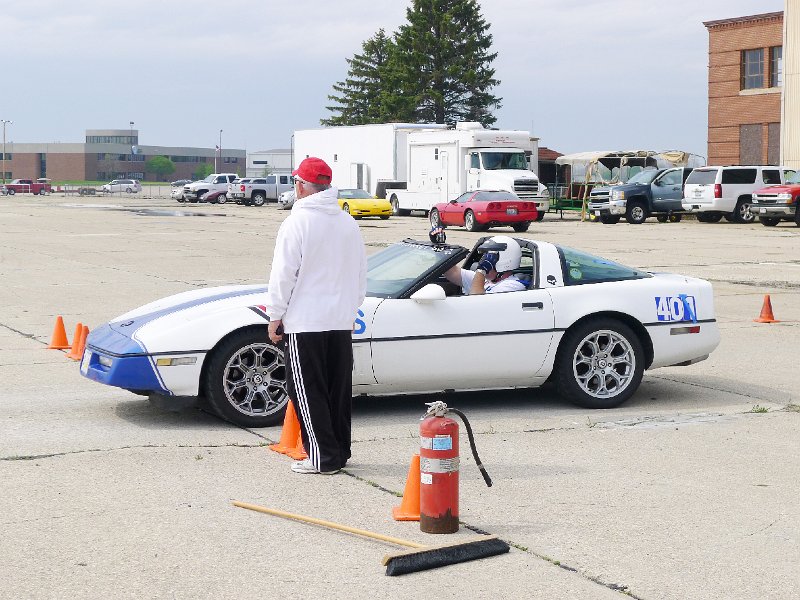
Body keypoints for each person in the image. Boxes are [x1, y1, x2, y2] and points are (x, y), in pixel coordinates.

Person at [265, 157, 367, 475]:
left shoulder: (297, 222)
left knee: (307, 390)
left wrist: (275, 314)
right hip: (339, 320)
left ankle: (322, 457)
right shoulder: (347, 222)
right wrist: (351, 309)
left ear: (301, 185)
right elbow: (360, 274)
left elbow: (284, 273)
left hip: (306, 320)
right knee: (337, 390)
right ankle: (339, 451)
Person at [430, 227, 526, 295]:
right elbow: (450, 271)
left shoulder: (513, 286)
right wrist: (439, 245)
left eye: (489, 258)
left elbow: (477, 300)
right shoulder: (486, 280)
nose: (482, 261)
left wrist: (481, 270)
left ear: (503, 261)